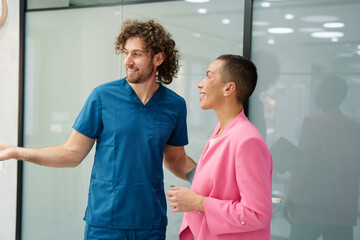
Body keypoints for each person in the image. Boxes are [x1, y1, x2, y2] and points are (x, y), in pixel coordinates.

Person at [0, 19, 196, 239]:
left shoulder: (174, 105)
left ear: (158, 59)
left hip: (150, 222)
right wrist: (16, 152)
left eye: (137, 54)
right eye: (126, 53)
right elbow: (71, 154)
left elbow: (176, 159)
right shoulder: (102, 97)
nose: (128, 61)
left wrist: (212, 180)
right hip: (106, 221)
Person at [166, 54, 273, 240]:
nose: (200, 84)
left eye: (208, 76)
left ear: (229, 88)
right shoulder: (220, 130)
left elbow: (257, 214)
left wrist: (199, 203)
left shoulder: (247, 140)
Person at [285, 75, 360, 240]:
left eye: (318, 91)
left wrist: (290, 196)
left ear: (327, 96)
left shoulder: (312, 123)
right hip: (343, 210)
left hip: (311, 207)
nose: (315, 95)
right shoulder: (355, 127)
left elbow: (303, 164)